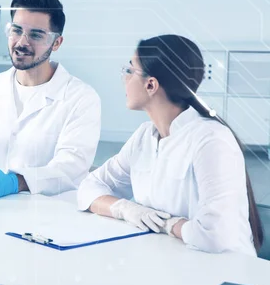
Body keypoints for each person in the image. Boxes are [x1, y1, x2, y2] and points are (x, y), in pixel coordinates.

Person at [77, 34, 264, 256]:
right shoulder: (144, 137)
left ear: (151, 84)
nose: (124, 78)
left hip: (226, 273)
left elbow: (217, 235)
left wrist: (168, 225)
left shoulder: (211, 138)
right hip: (173, 261)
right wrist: (125, 209)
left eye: (129, 71)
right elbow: (88, 189)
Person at [0, 0, 101, 198]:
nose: (22, 42)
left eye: (35, 35)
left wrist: (16, 182)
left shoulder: (81, 98)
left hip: (46, 214)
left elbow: (72, 167)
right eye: (16, 30)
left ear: (57, 43)